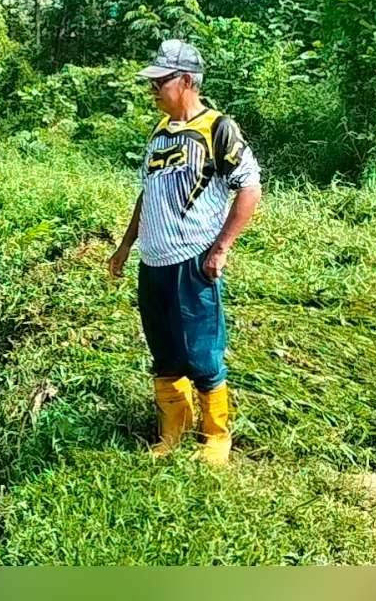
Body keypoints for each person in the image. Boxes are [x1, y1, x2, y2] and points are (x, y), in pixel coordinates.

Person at [107, 39, 262, 465]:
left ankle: (216, 436)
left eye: (160, 81)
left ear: (187, 81)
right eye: (152, 82)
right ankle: (172, 431)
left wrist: (221, 248)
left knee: (201, 351)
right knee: (164, 351)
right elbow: (148, 193)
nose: (153, 89)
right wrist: (125, 246)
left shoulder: (217, 128)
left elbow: (250, 187)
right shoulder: (158, 134)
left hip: (193, 261)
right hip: (153, 263)